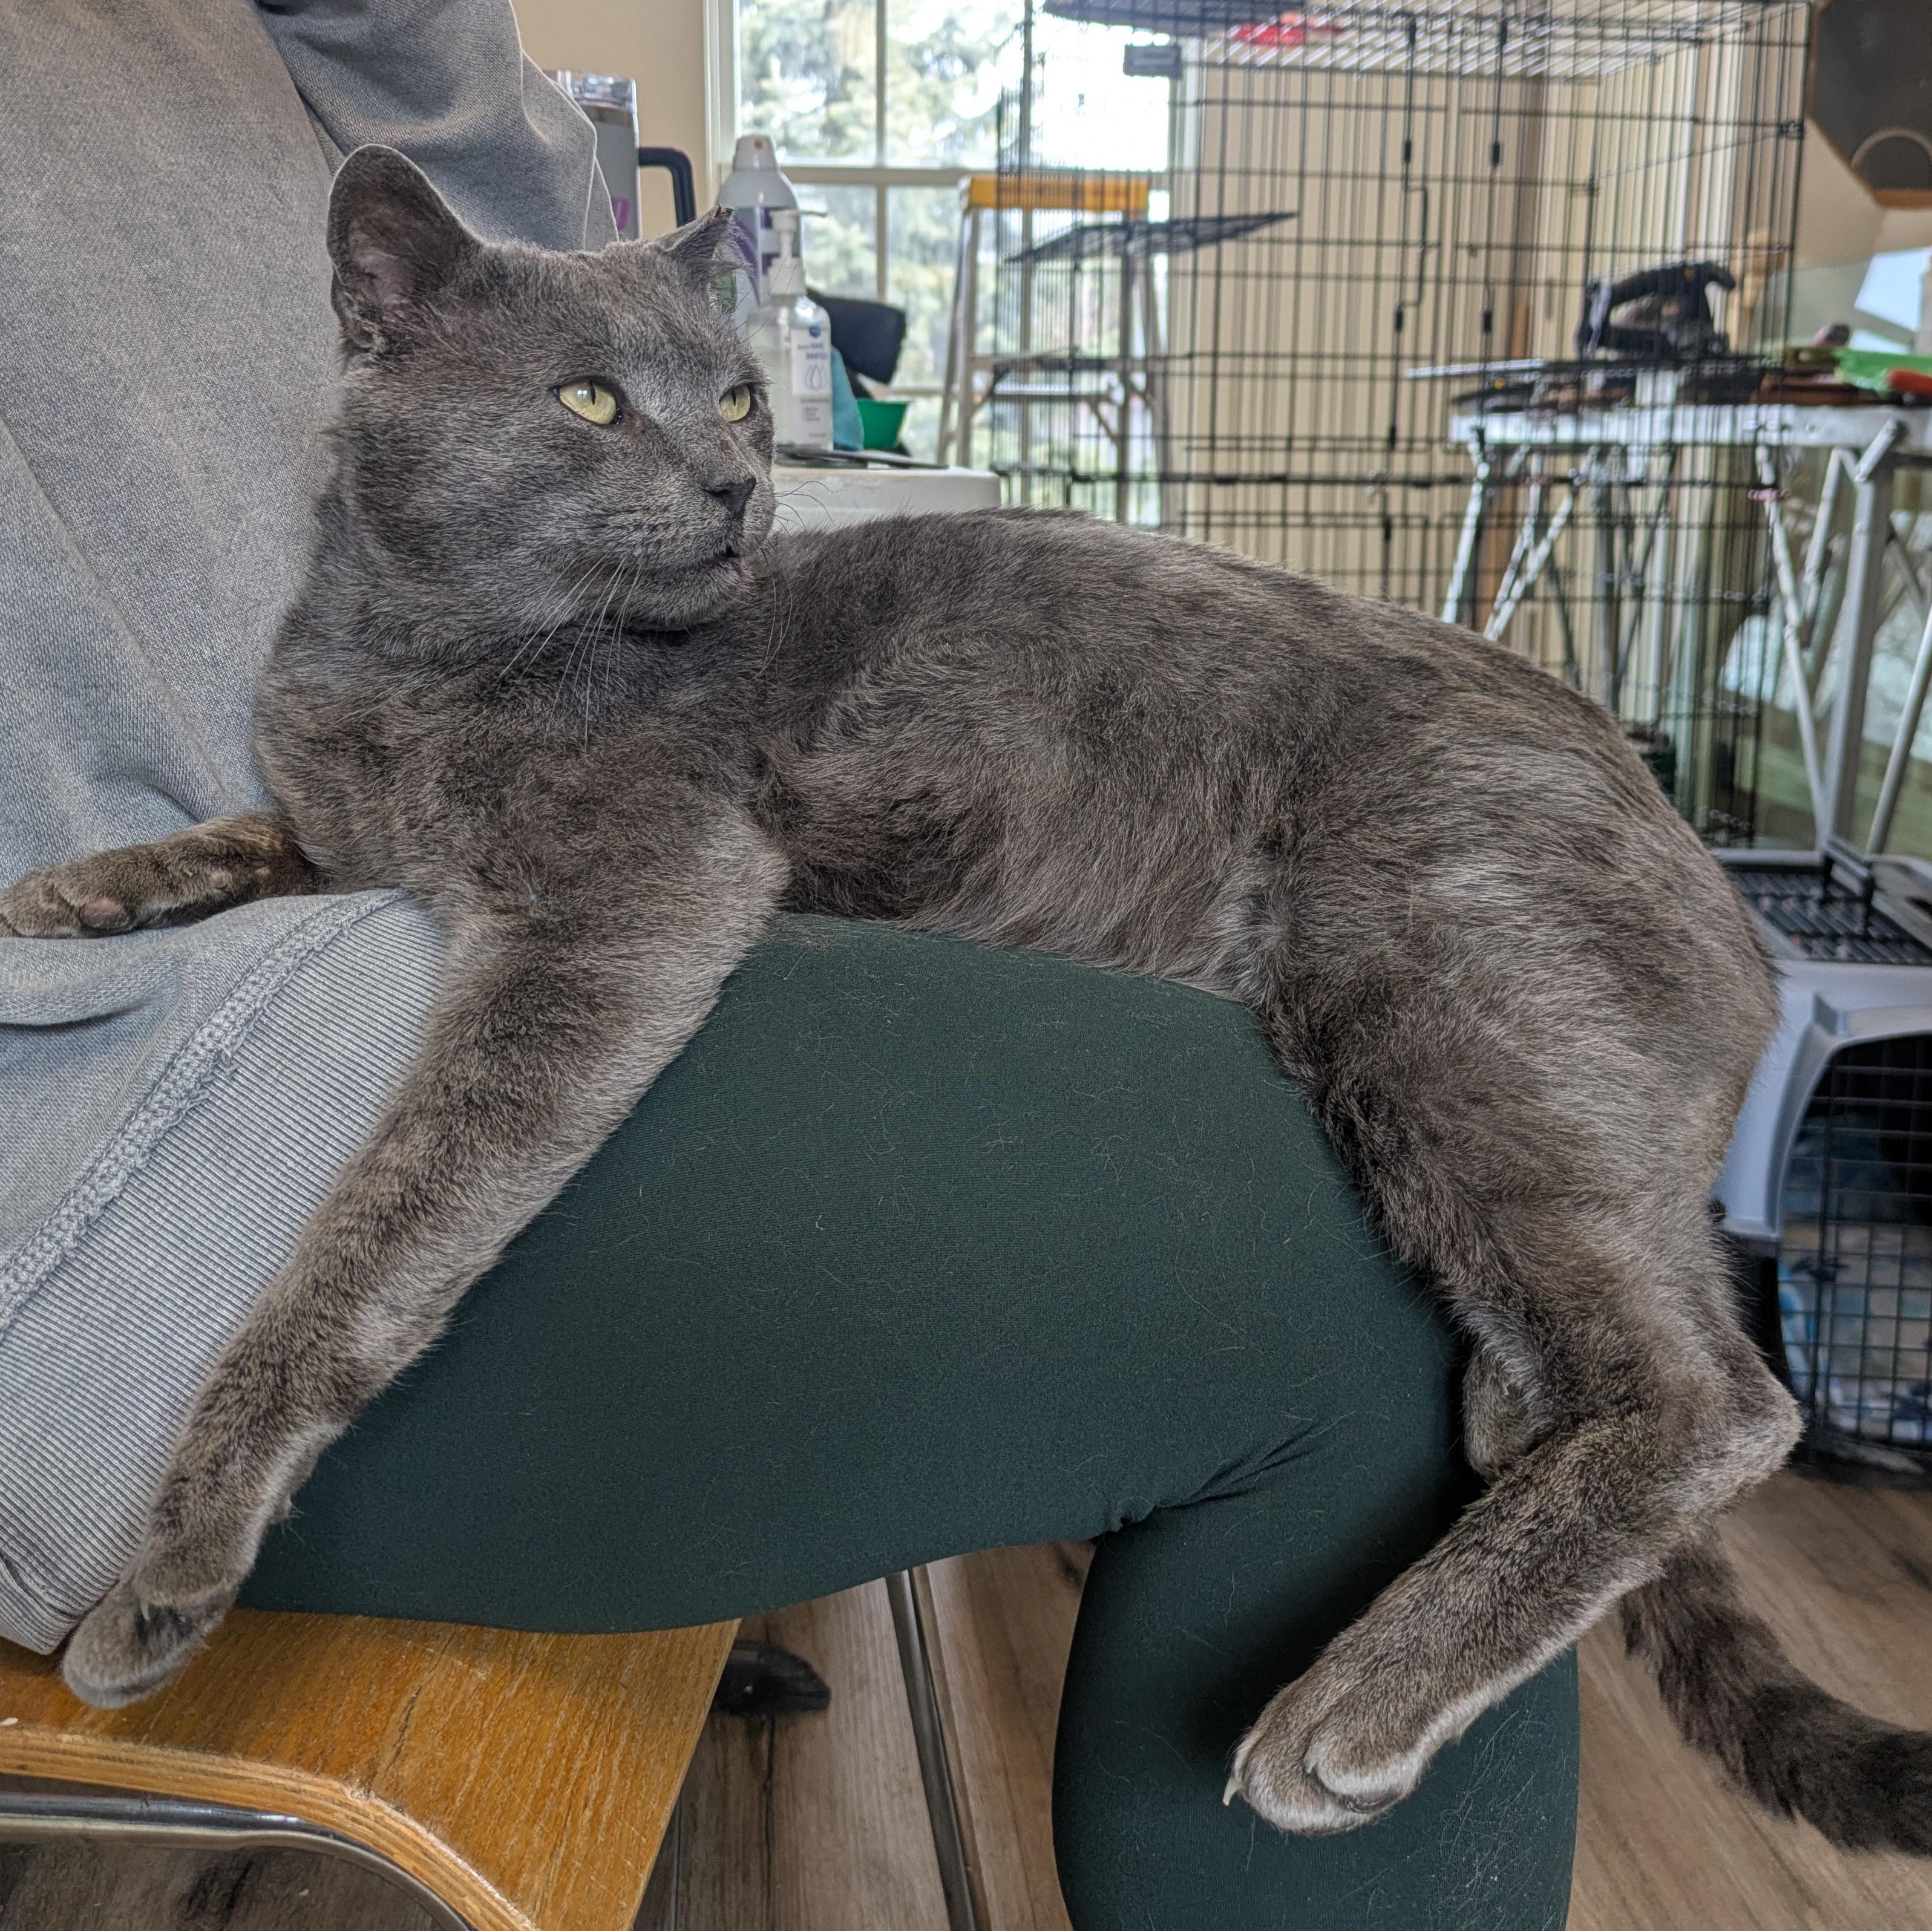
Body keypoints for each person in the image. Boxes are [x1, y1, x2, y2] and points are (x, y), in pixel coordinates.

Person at [0, 4, 1577, 1923]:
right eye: (614, 410)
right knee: (1338, 1274)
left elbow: (506, 184)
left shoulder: (297, 103)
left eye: (728, 411)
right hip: (84, 1137)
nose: (724, 470)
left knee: (1363, 1150)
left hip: (331, 917)